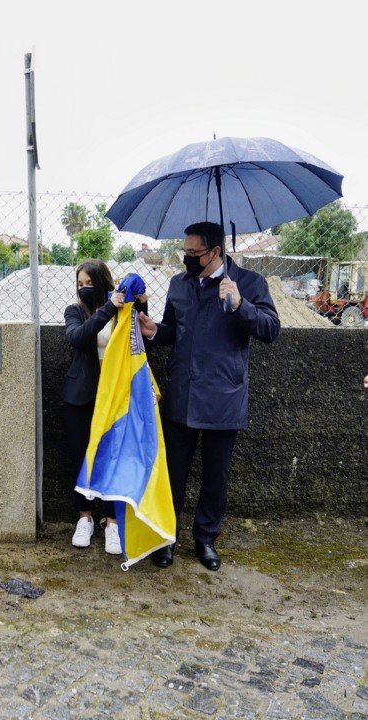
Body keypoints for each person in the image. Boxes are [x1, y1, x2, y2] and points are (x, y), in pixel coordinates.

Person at [139, 222, 280, 571]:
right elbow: (174, 330)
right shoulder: (179, 284)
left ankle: (205, 539)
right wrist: (154, 330)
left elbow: (270, 330)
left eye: (192, 254)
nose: (185, 259)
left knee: (215, 476)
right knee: (172, 473)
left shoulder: (249, 283)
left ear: (215, 252)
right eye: (184, 253)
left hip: (224, 396)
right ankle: (165, 537)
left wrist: (240, 304)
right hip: (182, 393)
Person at [61, 260, 147, 555]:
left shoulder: (123, 311)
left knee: (113, 458)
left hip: (116, 398)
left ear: (104, 281)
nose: (84, 289)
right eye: (79, 284)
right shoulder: (75, 312)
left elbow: (140, 344)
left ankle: (112, 522)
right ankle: (84, 518)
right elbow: (78, 337)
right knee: (81, 458)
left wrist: (141, 305)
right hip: (81, 398)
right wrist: (108, 308)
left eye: (89, 283)